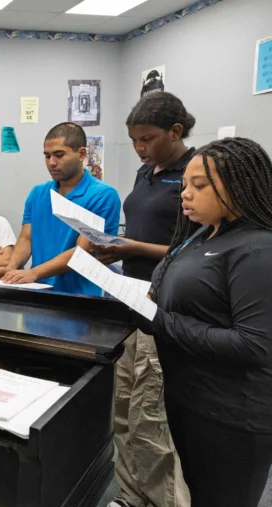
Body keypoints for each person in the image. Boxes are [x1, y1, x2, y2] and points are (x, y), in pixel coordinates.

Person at [136, 137, 272, 507]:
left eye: (200, 185)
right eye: (184, 186)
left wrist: (159, 320)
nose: (185, 195)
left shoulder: (258, 248)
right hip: (190, 399)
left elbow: (253, 344)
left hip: (231, 417)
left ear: (241, 186)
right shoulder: (202, 233)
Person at [94, 92, 193, 507]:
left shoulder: (195, 173)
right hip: (130, 302)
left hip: (166, 306)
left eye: (147, 139)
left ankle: (164, 501)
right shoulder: (145, 172)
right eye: (134, 140)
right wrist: (119, 247)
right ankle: (131, 496)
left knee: (151, 418)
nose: (140, 148)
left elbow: (193, 249)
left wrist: (131, 247)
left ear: (175, 131)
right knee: (122, 412)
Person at [0, 123, 120, 295]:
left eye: (59, 155)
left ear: (81, 154)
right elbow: (26, 239)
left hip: (79, 298)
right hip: (36, 290)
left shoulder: (103, 196)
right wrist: (11, 268)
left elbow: (83, 252)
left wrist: (33, 272)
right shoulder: (38, 194)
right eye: (47, 156)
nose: (52, 162)